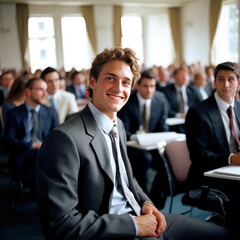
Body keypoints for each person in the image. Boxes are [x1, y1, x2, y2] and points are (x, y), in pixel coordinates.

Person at [36, 46, 231, 240]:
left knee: (223, 234)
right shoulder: (63, 139)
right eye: (110, 78)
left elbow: (127, 181)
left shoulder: (118, 125)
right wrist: (134, 225)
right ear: (93, 82)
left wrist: (146, 204)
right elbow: (62, 226)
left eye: (126, 82)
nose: (119, 88)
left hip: (140, 217)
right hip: (114, 230)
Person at [185, 61, 240, 235]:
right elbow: (198, 156)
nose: (226, 84)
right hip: (208, 178)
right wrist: (231, 158)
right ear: (214, 82)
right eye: (221, 79)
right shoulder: (198, 112)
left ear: (238, 83)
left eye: (231, 79)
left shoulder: (239, 107)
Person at [118, 70, 169, 198]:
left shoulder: (161, 99)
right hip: (133, 145)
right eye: (146, 86)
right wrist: (139, 137)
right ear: (138, 86)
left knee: (168, 160)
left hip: (153, 144)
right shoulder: (127, 101)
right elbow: (124, 130)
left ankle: (156, 198)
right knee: (145, 159)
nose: (149, 90)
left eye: (152, 86)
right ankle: (143, 197)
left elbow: (162, 126)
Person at [4, 78, 59, 190]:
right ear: (28, 92)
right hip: (22, 155)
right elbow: (8, 140)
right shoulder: (13, 113)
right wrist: (32, 146)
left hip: (44, 155)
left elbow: (58, 137)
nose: (45, 93)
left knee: (37, 167)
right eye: (40, 89)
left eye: (46, 90)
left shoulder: (50, 111)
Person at [160, 66, 202, 132]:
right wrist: (179, 115)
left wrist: (191, 114)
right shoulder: (166, 91)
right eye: (182, 75)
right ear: (174, 77)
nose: (185, 77)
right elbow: (166, 108)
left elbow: (201, 105)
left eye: (187, 75)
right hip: (175, 123)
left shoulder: (194, 90)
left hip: (192, 120)